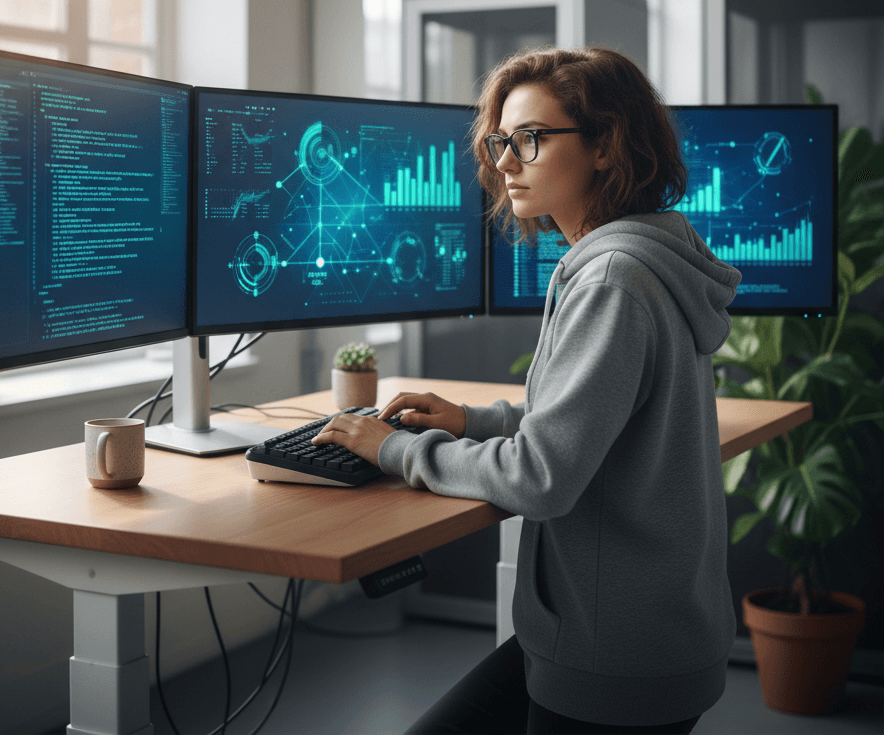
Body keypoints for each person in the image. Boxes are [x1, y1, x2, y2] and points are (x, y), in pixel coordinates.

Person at [312, 46, 741, 734]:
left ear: (606, 145)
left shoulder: (610, 281)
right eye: (501, 141)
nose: (506, 162)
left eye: (531, 140)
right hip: (643, 634)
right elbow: (593, 421)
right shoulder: (645, 256)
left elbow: (541, 477)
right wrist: (472, 420)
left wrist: (396, 450)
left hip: (612, 660)